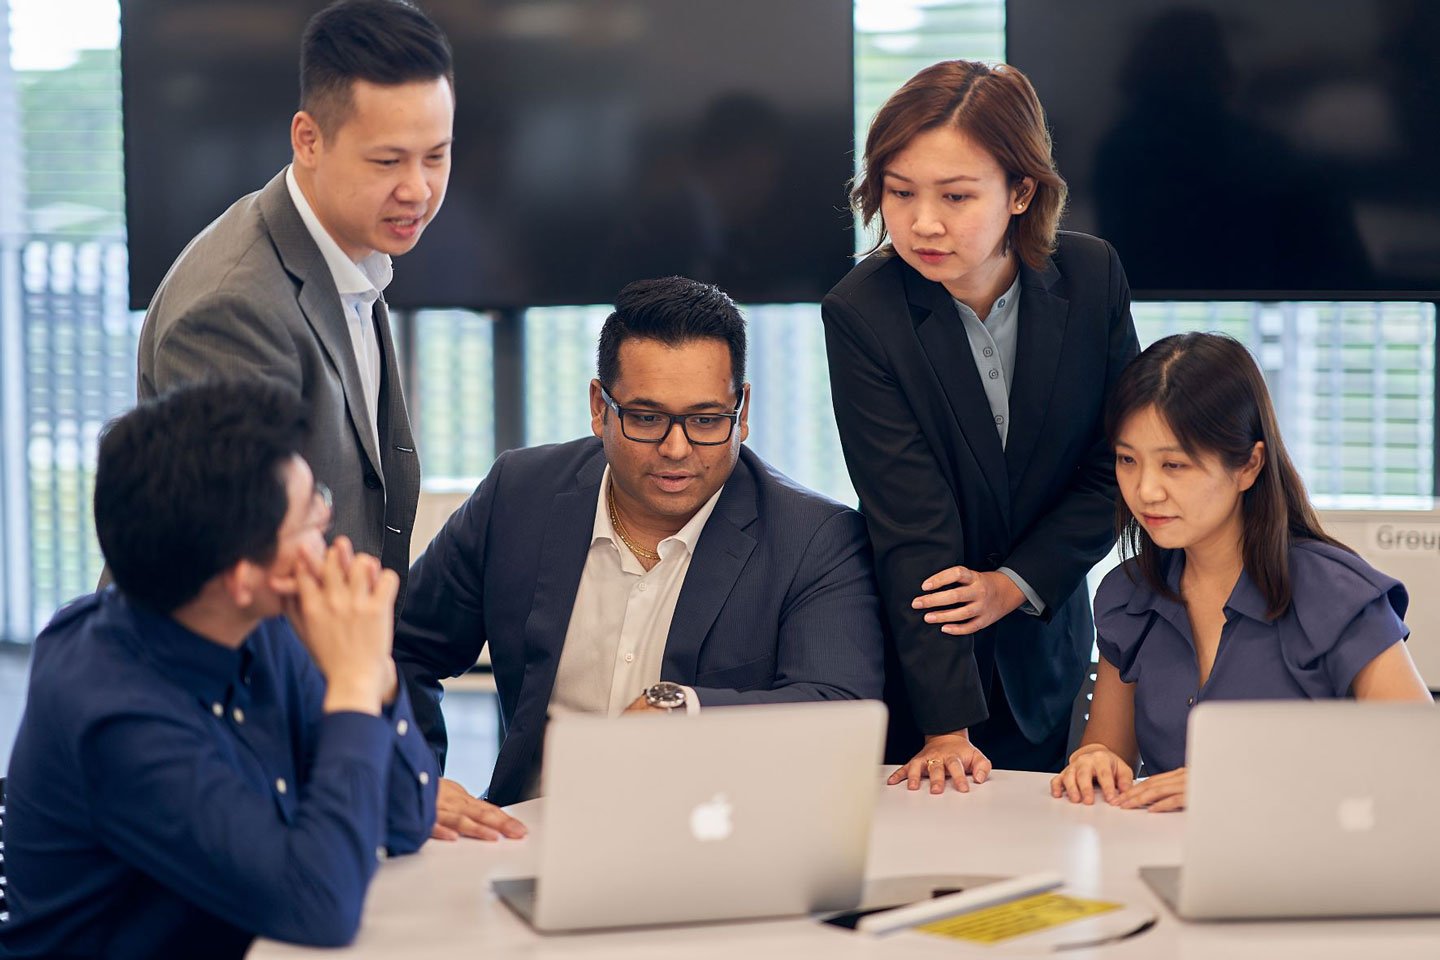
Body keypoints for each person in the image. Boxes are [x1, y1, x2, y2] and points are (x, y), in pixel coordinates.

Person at [394, 276, 886, 828]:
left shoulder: (815, 538)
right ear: (599, 408)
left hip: (712, 847)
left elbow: (840, 707)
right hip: (528, 835)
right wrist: (414, 783)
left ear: (741, 413)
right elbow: (404, 650)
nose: (676, 449)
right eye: (647, 419)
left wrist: (684, 708)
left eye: (705, 421)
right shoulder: (518, 494)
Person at [0, 380, 438, 959]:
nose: (330, 524)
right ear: (241, 577)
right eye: (311, 515)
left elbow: (404, 818)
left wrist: (376, 682)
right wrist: (352, 684)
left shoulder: (261, 624)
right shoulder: (112, 713)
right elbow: (321, 904)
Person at [822, 60, 1140, 790]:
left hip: (1044, 647)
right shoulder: (862, 312)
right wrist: (944, 726)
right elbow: (909, 519)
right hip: (923, 672)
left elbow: (1115, 468)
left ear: (1021, 191)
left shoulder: (1092, 279)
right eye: (899, 193)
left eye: (956, 196)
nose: (922, 222)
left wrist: (1015, 584)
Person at [136, 0, 455, 604]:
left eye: (436, 155)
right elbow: (240, 572)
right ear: (308, 139)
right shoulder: (232, 310)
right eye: (388, 160)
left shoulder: (352, 250)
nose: (418, 189)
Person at [1051, 333, 1433, 811]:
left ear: (1249, 465)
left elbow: (1421, 764)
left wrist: (1240, 780)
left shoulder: (1336, 593)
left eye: (1174, 464)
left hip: (1308, 869)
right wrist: (1093, 762)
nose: (1146, 490)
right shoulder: (1127, 593)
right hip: (1158, 862)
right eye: (1128, 460)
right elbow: (1108, 750)